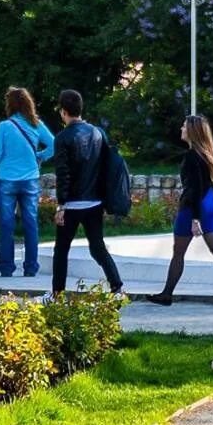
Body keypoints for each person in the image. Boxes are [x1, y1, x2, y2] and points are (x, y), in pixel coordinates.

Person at [146, 115, 213, 308]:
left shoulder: (192, 156)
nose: (181, 129)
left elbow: (194, 188)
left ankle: (166, 294)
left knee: (178, 252)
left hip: (195, 206)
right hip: (210, 203)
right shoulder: (209, 154)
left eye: (183, 126)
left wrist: (195, 218)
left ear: (192, 131)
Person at [51, 89, 125, 296]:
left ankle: (57, 293)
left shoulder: (63, 138)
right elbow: (105, 168)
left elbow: (63, 174)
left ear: (63, 112)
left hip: (72, 204)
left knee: (61, 250)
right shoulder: (98, 133)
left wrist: (61, 205)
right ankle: (117, 286)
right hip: (94, 202)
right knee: (98, 247)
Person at [0, 86, 56, 280]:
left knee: (7, 223)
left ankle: (6, 268)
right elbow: (54, 144)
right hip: (30, 179)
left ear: (10, 105)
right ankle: (30, 267)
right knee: (30, 222)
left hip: (6, 179)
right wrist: (40, 156)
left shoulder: (4, 126)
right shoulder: (36, 124)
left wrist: (0, 165)